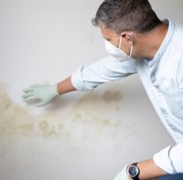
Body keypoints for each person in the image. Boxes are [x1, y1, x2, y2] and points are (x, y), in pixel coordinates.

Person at [22, 0, 183, 179]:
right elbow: (101, 71)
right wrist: (54, 89)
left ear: (127, 38)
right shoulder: (143, 51)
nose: (108, 46)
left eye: (108, 39)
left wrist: (135, 171)